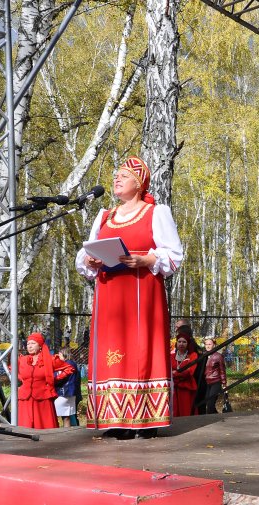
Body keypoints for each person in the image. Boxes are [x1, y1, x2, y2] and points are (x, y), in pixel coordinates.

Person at [75, 156, 183, 440]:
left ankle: (145, 417)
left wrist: (147, 258)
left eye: (123, 175)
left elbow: (173, 254)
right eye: (116, 175)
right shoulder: (104, 216)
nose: (116, 179)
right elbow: (85, 255)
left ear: (139, 183)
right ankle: (116, 418)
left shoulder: (155, 212)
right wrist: (91, 260)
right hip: (110, 294)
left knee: (140, 348)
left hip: (141, 292)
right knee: (111, 350)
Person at [17, 333, 75, 429]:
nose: (29, 346)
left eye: (33, 343)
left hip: (43, 400)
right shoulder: (22, 360)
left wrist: (54, 379)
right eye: (28, 344)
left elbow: (69, 369)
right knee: (24, 428)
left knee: (43, 427)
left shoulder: (49, 360)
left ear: (40, 345)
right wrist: (22, 379)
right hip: (25, 400)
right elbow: (12, 369)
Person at [171, 332, 198, 417]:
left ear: (188, 344)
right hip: (173, 387)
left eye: (184, 342)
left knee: (186, 410)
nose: (181, 344)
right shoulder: (170, 356)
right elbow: (168, 372)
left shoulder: (192, 355)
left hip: (186, 386)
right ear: (176, 343)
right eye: (179, 341)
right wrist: (179, 373)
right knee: (174, 410)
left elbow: (190, 372)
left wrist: (175, 373)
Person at [53, 349, 81, 427]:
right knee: (67, 416)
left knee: (61, 414)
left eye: (59, 355)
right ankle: (70, 431)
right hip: (71, 393)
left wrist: (53, 380)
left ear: (64, 355)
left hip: (64, 392)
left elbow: (61, 377)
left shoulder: (67, 364)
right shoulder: (72, 363)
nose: (58, 357)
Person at [202, 337, 227, 414]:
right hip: (206, 382)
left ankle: (210, 421)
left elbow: (222, 370)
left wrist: (224, 383)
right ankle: (218, 418)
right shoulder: (203, 355)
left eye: (210, 344)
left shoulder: (218, 356)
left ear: (214, 345)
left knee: (210, 403)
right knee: (207, 402)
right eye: (206, 344)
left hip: (216, 381)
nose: (208, 346)